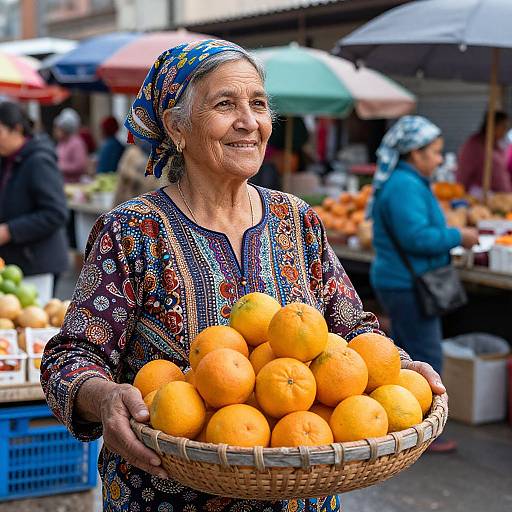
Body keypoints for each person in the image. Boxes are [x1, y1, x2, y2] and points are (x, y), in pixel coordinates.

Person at [41, 41, 446, 512]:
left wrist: (395, 366)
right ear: (177, 127)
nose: (249, 121)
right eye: (225, 104)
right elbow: (70, 358)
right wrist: (105, 396)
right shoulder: (133, 232)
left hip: (299, 495)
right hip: (165, 495)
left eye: (258, 104)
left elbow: (353, 328)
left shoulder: (297, 219)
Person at [370, 116, 479, 452]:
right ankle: (423, 429)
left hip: (404, 280)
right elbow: (416, 237)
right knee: (425, 353)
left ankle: (408, 424)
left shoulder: (411, 182)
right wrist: (459, 235)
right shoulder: (404, 186)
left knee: (409, 351)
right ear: (414, 154)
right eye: (434, 153)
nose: (439, 159)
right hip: (407, 283)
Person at [0, 101, 69, 300]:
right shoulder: (8, 160)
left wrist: (9, 231)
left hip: (37, 263)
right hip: (13, 263)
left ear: (17, 129)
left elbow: (56, 213)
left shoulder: (38, 161)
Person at [457, 110, 511, 196]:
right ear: (493, 126)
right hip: (479, 195)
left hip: (501, 196)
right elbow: (464, 172)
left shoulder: (498, 144)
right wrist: (460, 193)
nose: (505, 130)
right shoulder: (475, 144)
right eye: (503, 126)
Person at [53, 107, 89, 183]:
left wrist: (60, 167)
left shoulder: (76, 143)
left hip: (73, 184)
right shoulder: (61, 143)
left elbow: (80, 166)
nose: (56, 131)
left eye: (58, 128)